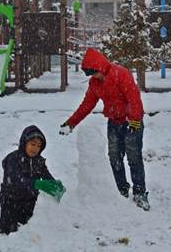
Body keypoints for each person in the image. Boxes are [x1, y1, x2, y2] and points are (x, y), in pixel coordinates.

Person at [59, 48, 150, 211]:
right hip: (114, 123)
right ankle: (121, 190)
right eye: (90, 75)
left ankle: (140, 193)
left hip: (131, 122)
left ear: (100, 67)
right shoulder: (94, 83)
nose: (93, 77)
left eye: (94, 73)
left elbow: (134, 98)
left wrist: (135, 121)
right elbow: (87, 105)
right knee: (114, 157)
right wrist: (71, 123)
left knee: (134, 158)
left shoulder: (121, 74)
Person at [0, 125, 65, 235]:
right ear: (24, 143)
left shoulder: (39, 162)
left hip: (30, 201)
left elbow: (46, 176)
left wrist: (54, 184)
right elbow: (15, 179)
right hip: (10, 200)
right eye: (32, 144)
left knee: (25, 230)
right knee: (7, 229)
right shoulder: (13, 159)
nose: (35, 148)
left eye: (38, 146)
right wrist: (36, 183)